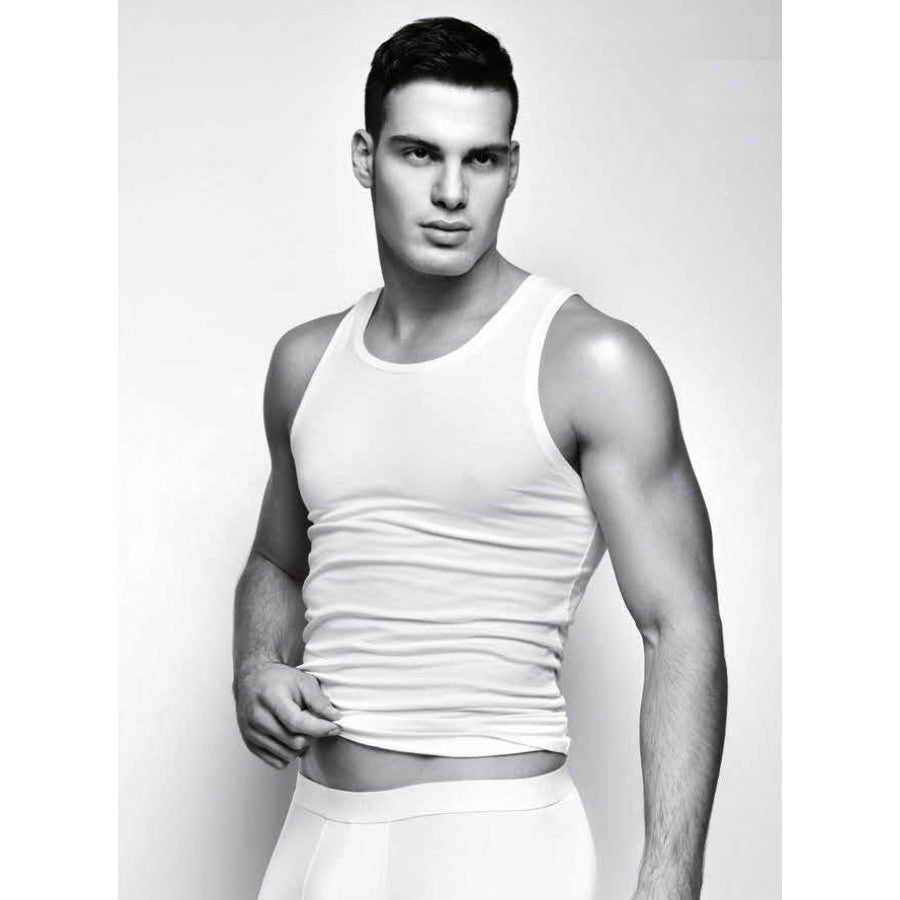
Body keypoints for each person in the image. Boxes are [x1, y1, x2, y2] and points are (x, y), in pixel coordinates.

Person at [232, 16, 727, 900]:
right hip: (317, 837)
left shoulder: (589, 361)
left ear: (512, 167)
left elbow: (679, 625)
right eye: (420, 153)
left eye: (482, 159)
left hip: (497, 845)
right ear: (365, 158)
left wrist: (670, 879)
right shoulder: (306, 363)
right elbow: (277, 560)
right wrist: (257, 665)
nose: (452, 192)